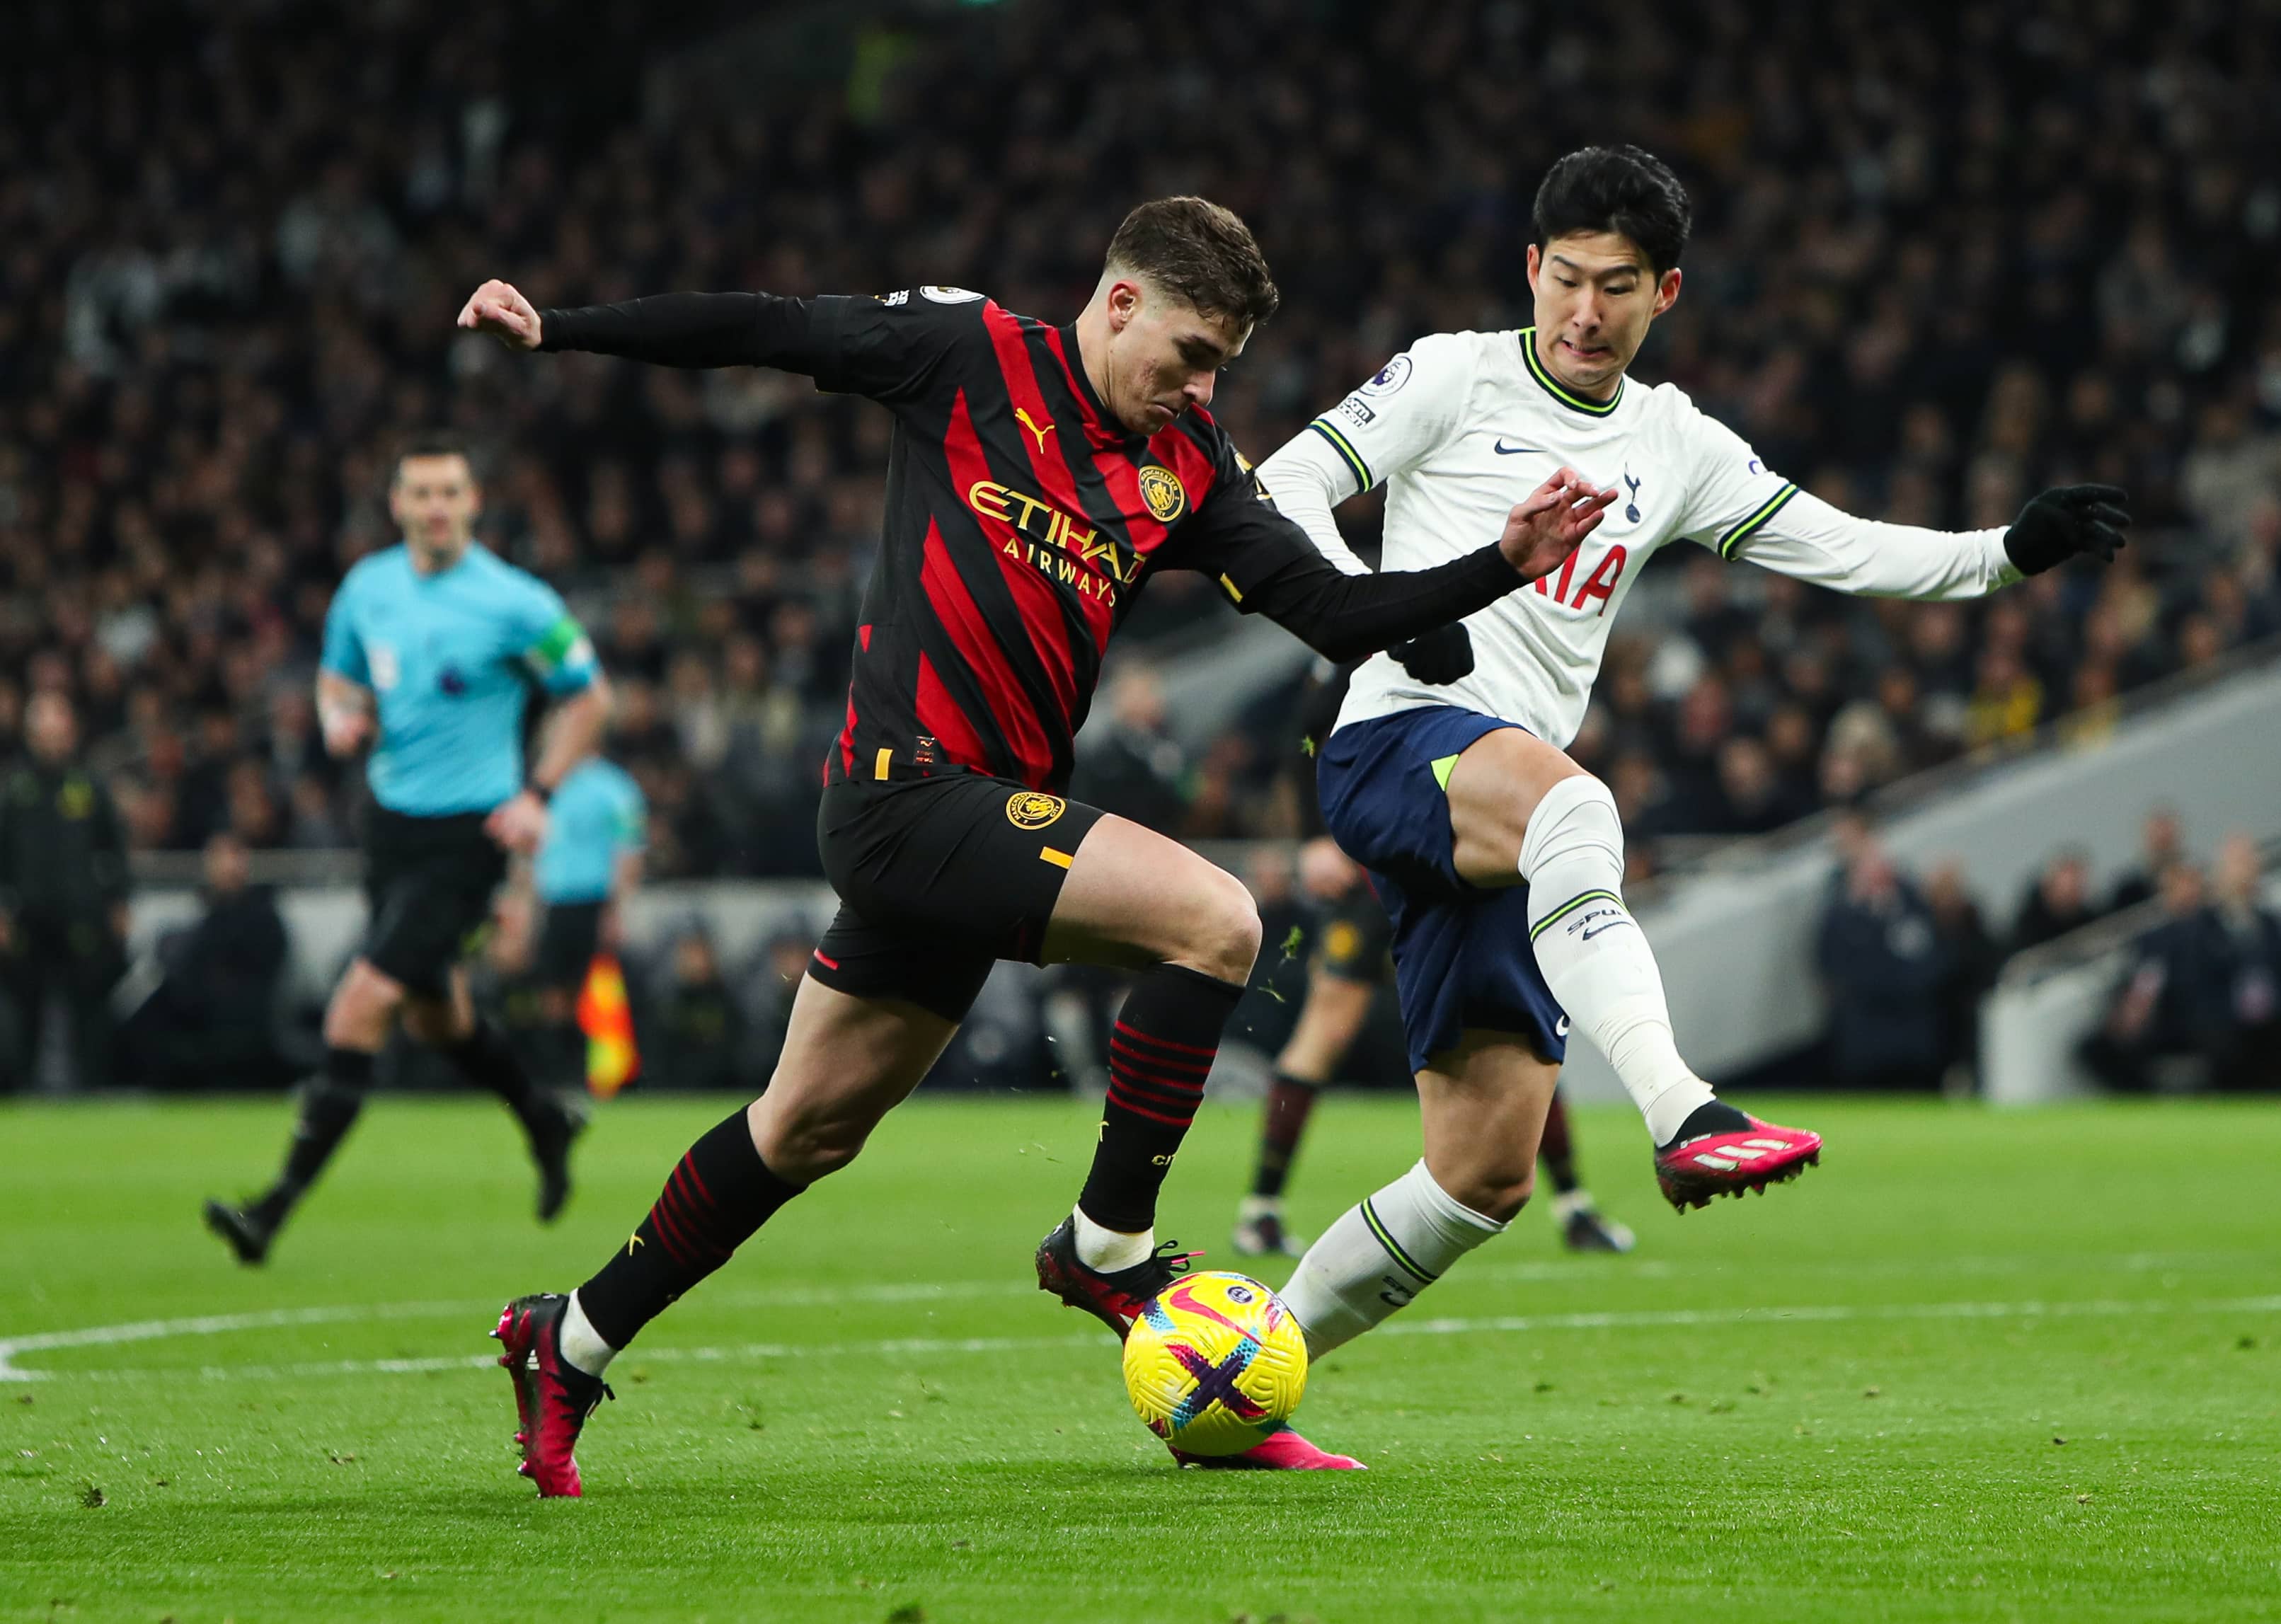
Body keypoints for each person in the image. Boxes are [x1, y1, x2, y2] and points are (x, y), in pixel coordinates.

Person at [461, 196, 1614, 1491]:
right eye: (1189, 353)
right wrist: (561, 328)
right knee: (1216, 921)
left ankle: (567, 1338)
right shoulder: (966, 353)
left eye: (1221, 366)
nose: (1202, 387)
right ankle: (1106, 1248)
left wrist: (1498, 562)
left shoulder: (1188, 463)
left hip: (976, 827)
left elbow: (1335, 612)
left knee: (803, 1128)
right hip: (905, 793)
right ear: (1118, 303)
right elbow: (765, 328)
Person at [1248, 146, 2126, 1364]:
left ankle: (1246, 1362)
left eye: (1615, 286)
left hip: (1502, 812)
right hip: (1396, 740)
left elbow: (1843, 546)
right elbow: (1283, 481)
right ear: (1528, 268)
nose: (1583, 311)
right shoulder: (1452, 373)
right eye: (1564, 278)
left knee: (1481, 1174)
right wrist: (1376, 612)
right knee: (1579, 809)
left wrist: (2002, 555)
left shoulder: (1673, 443)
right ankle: (1679, 1110)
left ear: (1664, 293)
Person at [202, 434, 609, 1265]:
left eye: (450, 492)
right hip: (389, 828)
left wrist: (537, 795)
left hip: (470, 836)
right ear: (395, 505)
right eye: (421, 493)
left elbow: (590, 698)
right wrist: (338, 716)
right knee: (436, 1015)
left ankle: (270, 1211)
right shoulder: (368, 588)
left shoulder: (514, 602)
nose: (436, 508)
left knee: (362, 1001)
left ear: (473, 502)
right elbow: (337, 676)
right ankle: (544, 1118)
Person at [1235, 663, 1631, 1259]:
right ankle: (1261, 1208)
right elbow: (1306, 730)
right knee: (1326, 1031)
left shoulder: (1495, 642)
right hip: (1378, 870)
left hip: (1459, 864)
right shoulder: (1384, 631)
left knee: (1516, 1019)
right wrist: (1314, 837)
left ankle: (1573, 1204)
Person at [0, 693, 130, 1091]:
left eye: (58, 732)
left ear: (71, 733)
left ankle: (92, 1090)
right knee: (25, 1013)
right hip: (28, 919)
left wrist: (120, 902)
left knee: (89, 1012)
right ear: (31, 736)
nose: (52, 741)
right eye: (45, 733)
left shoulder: (89, 786)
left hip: (82, 917)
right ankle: (22, 1094)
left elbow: (115, 849)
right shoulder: (15, 789)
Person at [117, 833, 291, 1091]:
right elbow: (188, 969)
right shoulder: (205, 915)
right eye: (217, 859)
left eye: (231, 858)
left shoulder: (264, 918)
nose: (225, 867)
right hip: (200, 1012)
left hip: (242, 1016)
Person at [529, 749, 646, 1092]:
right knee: (553, 993)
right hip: (554, 901)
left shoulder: (613, 787)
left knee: (594, 990)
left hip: (594, 900)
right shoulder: (548, 786)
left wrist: (616, 909)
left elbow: (629, 849)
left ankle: (600, 1076)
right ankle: (560, 1074)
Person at [1816, 834, 1950, 1091]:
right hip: (1866, 1040)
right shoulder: (1842, 919)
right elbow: (1836, 969)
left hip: (1914, 1038)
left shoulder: (1913, 909)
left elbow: (1934, 962)